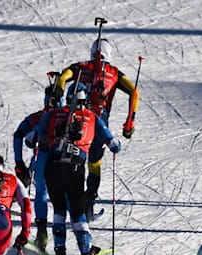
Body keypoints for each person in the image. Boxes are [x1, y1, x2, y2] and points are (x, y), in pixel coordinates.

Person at [27, 82, 121, 255]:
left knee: (59, 212)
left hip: (53, 169)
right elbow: (114, 144)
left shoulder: (53, 114)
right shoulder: (92, 117)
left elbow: (31, 136)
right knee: (78, 216)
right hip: (75, 170)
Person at [55, 37, 140, 219]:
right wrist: (129, 122)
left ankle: (65, 204)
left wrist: (59, 96)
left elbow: (62, 78)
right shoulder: (114, 72)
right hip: (99, 123)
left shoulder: (81, 66)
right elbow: (134, 92)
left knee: (73, 161)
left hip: (77, 120)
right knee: (94, 163)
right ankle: (88, 206)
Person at [14, 83, 63, 252]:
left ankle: (42, 233)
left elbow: (19, 135)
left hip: (42, 159)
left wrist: (19, 162)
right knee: (64, 197)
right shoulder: (70, 115)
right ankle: (76, 236)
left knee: (41, 193)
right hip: (64, 162)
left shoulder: (38, 117)